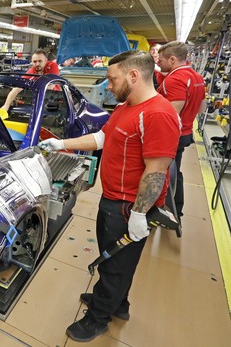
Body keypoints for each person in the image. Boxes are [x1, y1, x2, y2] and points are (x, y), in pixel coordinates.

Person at [39, 50, 180, 342]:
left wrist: (139, 214)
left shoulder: (158, 114)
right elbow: (103, 138)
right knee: (113, 261)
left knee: (116, 266)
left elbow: (156, 171)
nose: (109, 85)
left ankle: (98, 319)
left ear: (133, 75)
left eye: (112, 79)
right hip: (114, 200)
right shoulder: (127, 106)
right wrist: (60, 143)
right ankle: (119, 304)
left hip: (130, 207)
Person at [156, 41, 207, 219]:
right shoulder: (197, 77)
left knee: (162, 172)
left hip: (173, 135)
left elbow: (171, 113)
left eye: (161, 60)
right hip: (185, 131)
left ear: (172, 59)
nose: (158, 63)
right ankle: (176, 208)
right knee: (174, 170)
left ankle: (165, 210)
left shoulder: (175, 79)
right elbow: (201, 107)